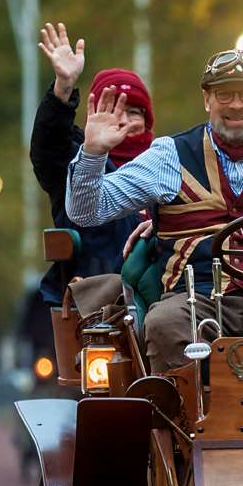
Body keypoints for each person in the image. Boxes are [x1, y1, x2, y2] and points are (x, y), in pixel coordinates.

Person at [66, 48, 243, 371]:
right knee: (164, 324)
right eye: (224, 94)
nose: (236, 104)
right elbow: (87, 212)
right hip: (196, 300)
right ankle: (180, 417)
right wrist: (93, 153)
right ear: (207, 100)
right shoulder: (169, 156)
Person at [31, 22, 151, 307]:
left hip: (166, 293)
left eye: (133, 112)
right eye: (111, 110)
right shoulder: (74, 162)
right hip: (98, 303)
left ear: (148, 120)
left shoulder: (166, 164)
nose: (122, 120)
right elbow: (48, 146)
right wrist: (63, 87)